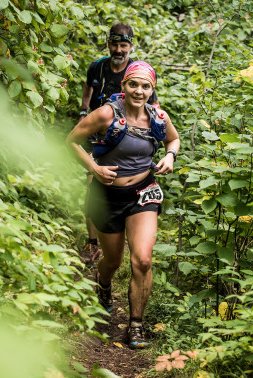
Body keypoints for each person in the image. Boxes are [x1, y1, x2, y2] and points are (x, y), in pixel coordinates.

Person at [66, 61, 180, 349]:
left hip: (144, 192)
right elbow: (72, 141)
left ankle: (136, 326)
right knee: (113, 260)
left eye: (145, 86)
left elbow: (174, 140)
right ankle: (103, 285)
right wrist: (94, 168)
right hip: (106, 197)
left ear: (152, 90)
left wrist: (170, 157)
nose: (139, 91)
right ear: (124, 86)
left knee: (142, 259)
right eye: (133, 84)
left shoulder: (158, 116)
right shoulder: (106, 114)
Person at [78, 23, 159, 265]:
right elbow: (88, 87)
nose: (118, 49)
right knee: (94, 180)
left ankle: (118, 232)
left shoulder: (137, 71)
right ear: (108, 43)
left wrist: (153, 128)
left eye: (123, 45)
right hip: (98, 132)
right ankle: (93, 242)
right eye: (115, 44)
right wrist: (84, 110)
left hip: (128, 133)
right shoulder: (98, 66)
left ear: (130, 46)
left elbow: (153, 103)